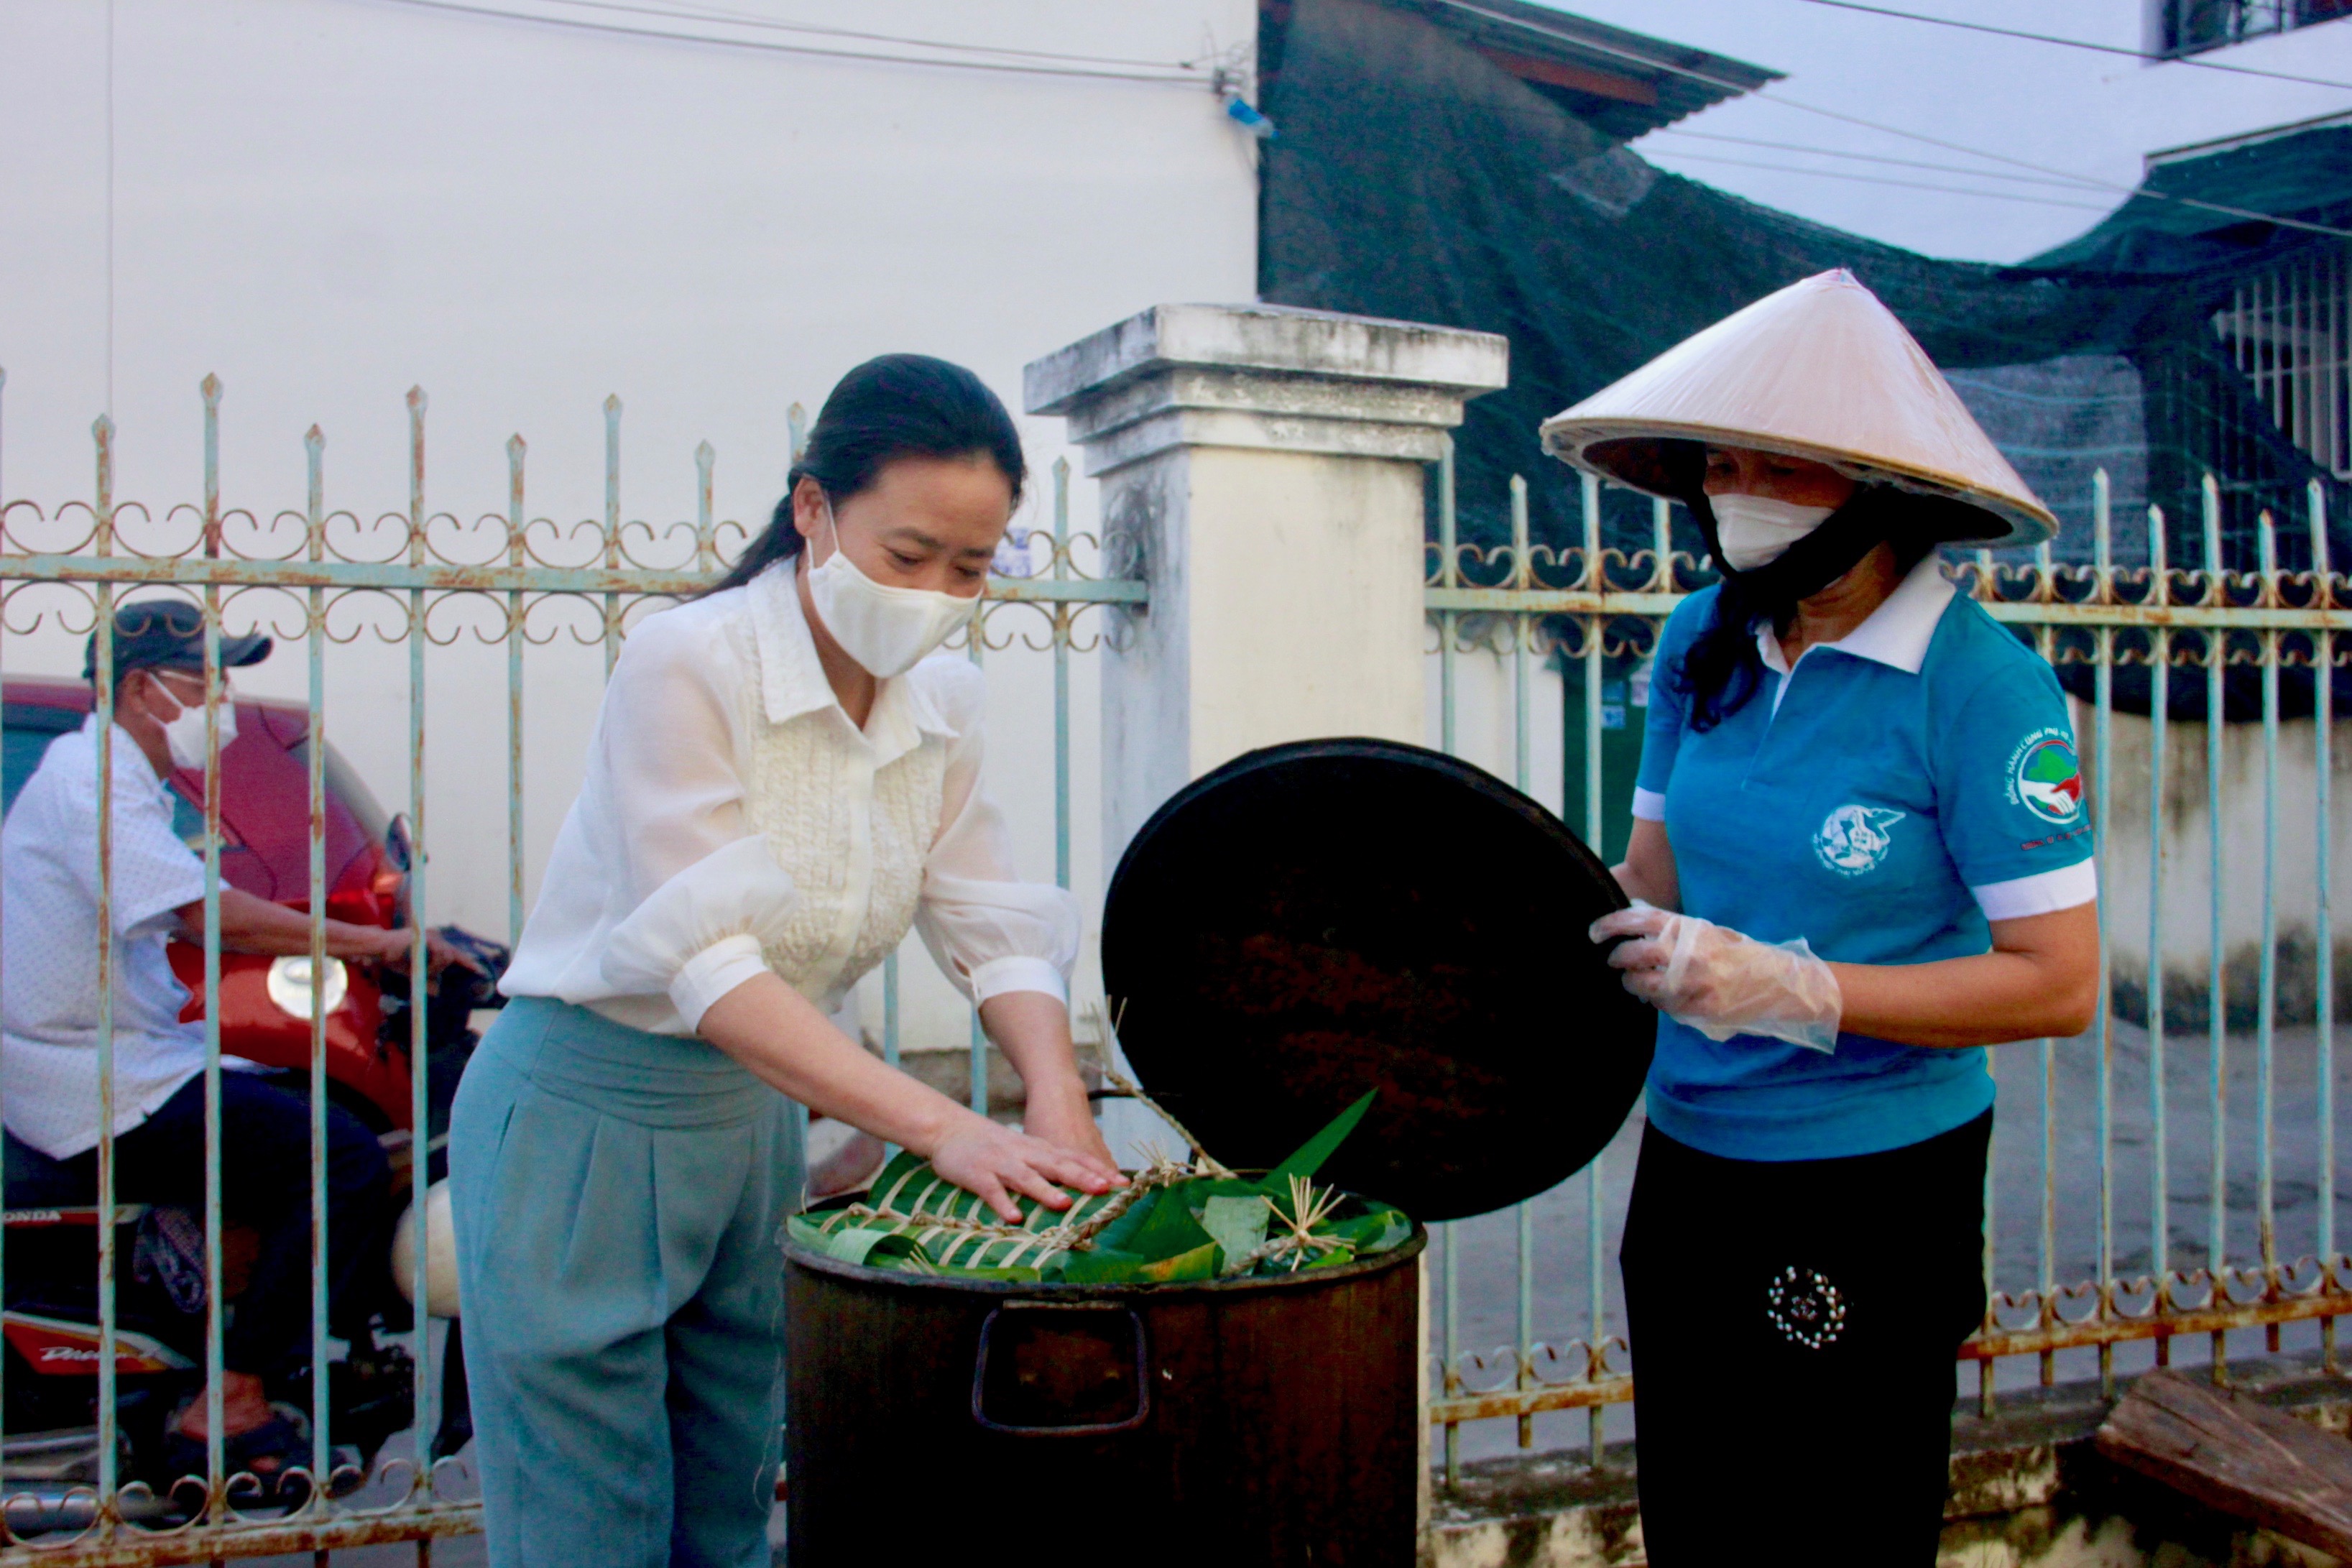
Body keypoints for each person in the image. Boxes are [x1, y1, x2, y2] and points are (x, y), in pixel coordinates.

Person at [455, 353, 1121, 1568]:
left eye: (969, 567)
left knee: (733, 1491)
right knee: (585, 1519)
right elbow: (709, 962)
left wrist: (1055, 1091)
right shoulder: (690, 661)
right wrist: (945, 1127)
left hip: (756, 1119)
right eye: (906, 554)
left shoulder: (943, 699)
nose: (934, 593)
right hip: (587, 1118)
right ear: (813, 507)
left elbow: (987, 913)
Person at [1539, 270, 2100, 1564]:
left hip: (1872, 1182)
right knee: (1701, 1515)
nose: (1738, 491)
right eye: (1720, 463)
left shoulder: (1983, 691)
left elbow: (2056, 980)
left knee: (1836, 1526)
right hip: (1690, 1160)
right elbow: (1651, 875)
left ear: (1881, 488)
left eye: (1780, 467)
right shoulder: (1701, 639)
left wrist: (1802, 987)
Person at [0, 599, 448, 1486]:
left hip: (119, 1056)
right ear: (142, 689)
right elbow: (209, 915)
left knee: (294, 1119)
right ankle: (233, 1397)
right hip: (90, 1081)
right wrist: (380, 944)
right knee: (341, 1159)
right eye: (207, 681)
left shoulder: (122, 778)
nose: (224, 704)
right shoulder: (91, 780)